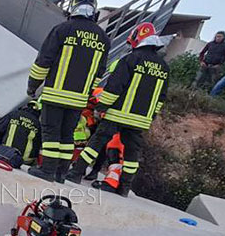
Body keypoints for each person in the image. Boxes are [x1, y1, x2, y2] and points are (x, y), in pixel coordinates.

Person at [66, 22, 169, 197]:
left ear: (138, 39)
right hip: (140, 120)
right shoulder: (164, 67)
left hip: (118, 114)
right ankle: (124, 188)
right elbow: (161, 97)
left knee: (96, 143)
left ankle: (76, 173)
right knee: (131, 155)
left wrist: (101, 106)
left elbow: (115, 87)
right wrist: (151, 116)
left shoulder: (130, 59)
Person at [27, 0, 109, 183]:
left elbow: (43, 62)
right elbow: (99, 72)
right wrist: (87, 93)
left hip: (55, 94)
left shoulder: (62, 30)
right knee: (66, 136)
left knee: (50, 132)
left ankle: (47, 170)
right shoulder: (103, 39)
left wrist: (32, 86)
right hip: (79, 99)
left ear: (73, 8)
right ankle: (61, 173)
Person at [0, 100, 42, 165]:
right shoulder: (38, 124)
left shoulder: (14, 114)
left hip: (6, 153)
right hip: (26, 160)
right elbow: (39, 144)